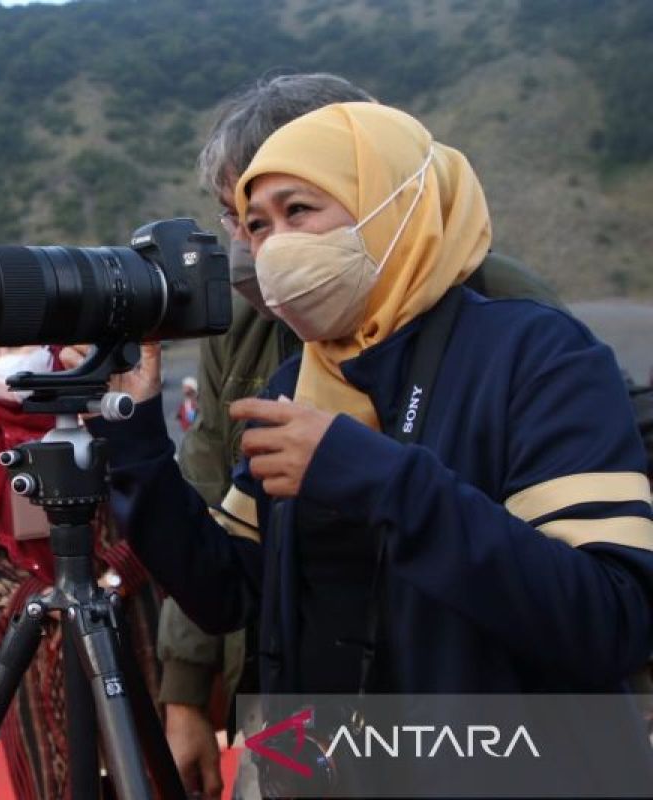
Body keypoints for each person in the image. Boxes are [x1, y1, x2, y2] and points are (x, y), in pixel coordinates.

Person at [77, 100, 653, 794]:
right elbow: (228, 590)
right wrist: (136, 438)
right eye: (257, 225)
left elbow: (606, 619)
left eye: (300, 212)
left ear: (391, 205)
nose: (274, 245)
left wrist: (373, 476)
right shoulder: (299, 382)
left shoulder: (537, 354)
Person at [161, 72, 566, 799]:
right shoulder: (246, 328)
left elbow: (582, 591)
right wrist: (187, 689)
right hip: (290, 698)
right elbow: (212, 497)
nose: (261, 249)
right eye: (244, 219)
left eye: (298, 209)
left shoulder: (509, 317)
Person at [0, 344, 160, 799]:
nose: (8, 359)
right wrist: (38, 602)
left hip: (120, 628)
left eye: (18, 344)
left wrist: (110, 580)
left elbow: (155, 518)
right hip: (35, 648)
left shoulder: (108, 429)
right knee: (51, 781)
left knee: (141, 765)